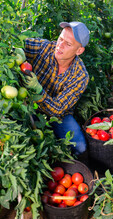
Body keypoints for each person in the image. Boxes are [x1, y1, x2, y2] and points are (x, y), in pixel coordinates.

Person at [23, 21, 90, 157]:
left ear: (79, 51)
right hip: (29, 105)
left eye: (68, 44)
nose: (60, 45)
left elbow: (58, 108)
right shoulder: (44, 48)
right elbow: (17, 43)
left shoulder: (80, 76)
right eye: (60, 39)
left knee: (80, 147)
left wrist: (38, 90)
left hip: (60, 115)